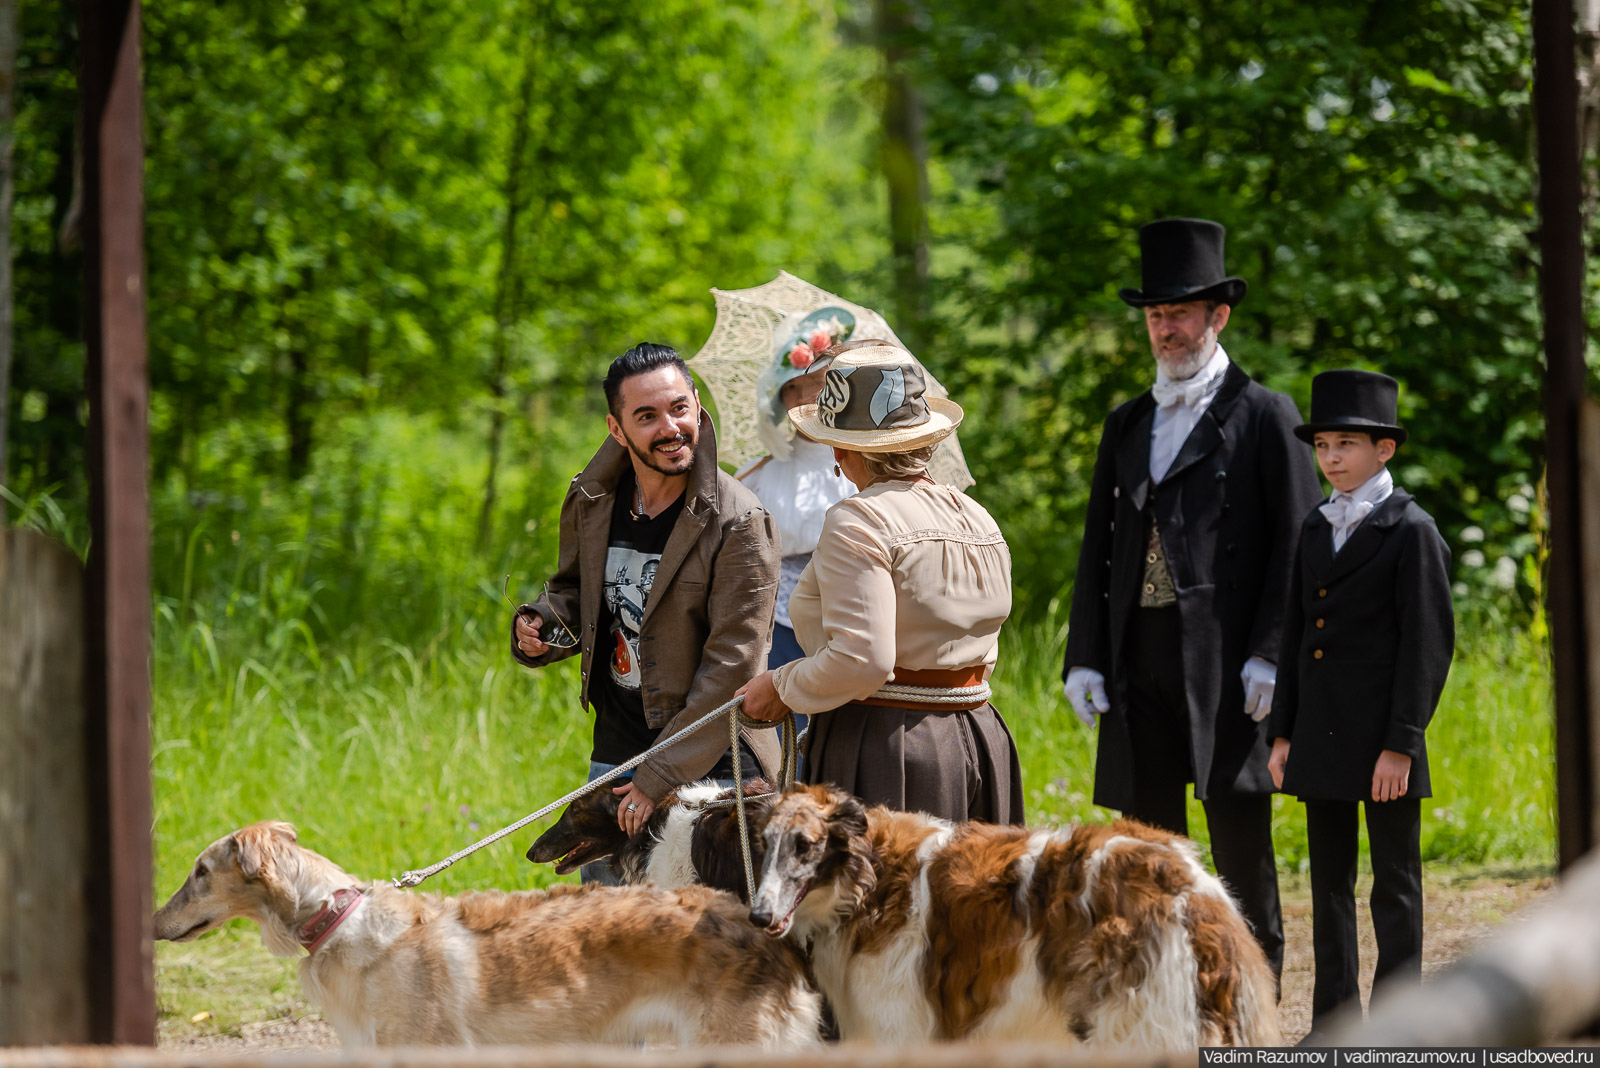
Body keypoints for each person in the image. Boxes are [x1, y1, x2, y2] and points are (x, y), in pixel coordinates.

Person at [1061, 217, 1322, 983]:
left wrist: (1272, 653)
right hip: (1137, 657)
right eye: (1155, 316)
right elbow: (1097, 548)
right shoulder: (1128, 422)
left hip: (1226, 661)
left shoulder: (1265, 414)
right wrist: (1084, 658)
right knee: (1148, 848)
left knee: (1239, 842)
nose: (1166, 329)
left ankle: (1256, 992)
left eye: (1180, 313)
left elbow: (1297, 545)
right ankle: (1162, 993)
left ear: (1219, 317)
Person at [511, 342, 783, 882]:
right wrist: (542, 626)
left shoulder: (739, 520)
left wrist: (657, 775)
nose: (671, 427)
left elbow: (733, 665)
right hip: (616, 754)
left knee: (706, 946)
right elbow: (575, 592)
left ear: (697, 406)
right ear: (617, 430)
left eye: (679, 408)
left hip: (716, 768)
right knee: (614, 942)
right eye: (647, 416)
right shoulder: (594, 500)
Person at [738, 344, 1024, 825]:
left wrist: (780, 686)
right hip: (980, 737)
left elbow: (863, 661)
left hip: (888, 746)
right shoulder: (976, 515)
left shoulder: (859, 520)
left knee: (882, 899)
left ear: (845, 447)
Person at [1268, 369, 1454, 1033]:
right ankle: (1335, 1023)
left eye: (1346, 443)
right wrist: (1282, 733)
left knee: (1395, 887)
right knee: (1328, 889)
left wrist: (1401, 743)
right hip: (1318, 735)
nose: (1332, 458)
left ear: (1385, 449)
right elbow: (1294, 635)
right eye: (1322, 445)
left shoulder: (1412, 531)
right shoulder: (1315, 526)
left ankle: (1402, 1025)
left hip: (1385, 741)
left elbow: (1428, 647)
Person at [736, 307, 858, 669]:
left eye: (818, 384)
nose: (806, 398)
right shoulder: (754, 476)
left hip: (856, 625)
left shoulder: (870, 467)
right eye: (793, 388)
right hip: (776, 630)